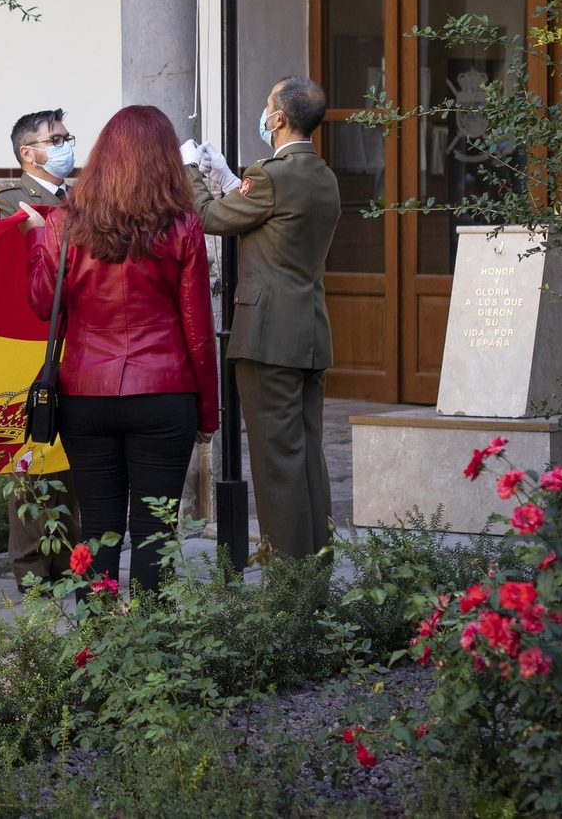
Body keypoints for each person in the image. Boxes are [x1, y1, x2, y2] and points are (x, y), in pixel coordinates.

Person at [18, 105, 219, 593]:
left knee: (98, 530)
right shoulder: (183, 226)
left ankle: (96, 644)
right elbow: (198, 329)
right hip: (163, 392)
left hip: (86, 395)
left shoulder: (64, 223)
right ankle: (153, 650)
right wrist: (207, 416)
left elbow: (43, 305)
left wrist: (38, 242)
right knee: (156, 533)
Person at [182, 76, 341, 559]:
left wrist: (190, 171)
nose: (265, 111)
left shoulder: (271, 174)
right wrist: (233, 179)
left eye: (269, 104)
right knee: (307, 458)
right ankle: (315, 569)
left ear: (279, 119)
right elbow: (269, 220)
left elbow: (209, 217)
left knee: (276, 464)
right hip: (308, 330)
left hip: (267, 334)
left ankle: (290, 587)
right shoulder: (320, 174)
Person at [0, 109, 81, 591]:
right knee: (33, 459)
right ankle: (32, 571)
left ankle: (72, 562)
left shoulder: (84, 199)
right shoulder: (3, 201)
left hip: (78, 341)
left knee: (72, 456)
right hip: (27, 346)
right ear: (28, 152)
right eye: (55, 138)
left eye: (66, 137)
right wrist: (36, 230)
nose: (64, 145)